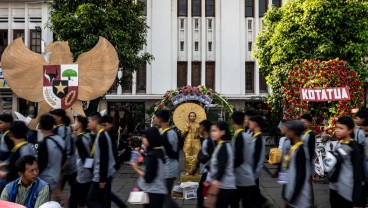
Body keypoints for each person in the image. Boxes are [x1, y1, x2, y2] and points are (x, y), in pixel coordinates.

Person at [329, 116, 364, 208]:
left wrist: (357, 201)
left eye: (341, 128)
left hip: (346, 194)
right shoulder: (339, 144)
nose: (337, 130)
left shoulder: (354, 148)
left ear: (350, 130)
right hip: (334, 189)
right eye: (336, 127)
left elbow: (358, 175)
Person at [131, 127, 167, 208]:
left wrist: (136, 168)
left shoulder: (152, 156)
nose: (142, 139)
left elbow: (148, 177)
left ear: (150, 139)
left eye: (144, 137)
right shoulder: (159, 151)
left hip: (153, 193)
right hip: (157, 192)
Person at [87, 112, 116, 208]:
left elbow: (104, 159)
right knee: (103, 199)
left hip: (101, 174)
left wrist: (102, 179)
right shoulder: (99, 135)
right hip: (100, 173)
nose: (88, 124)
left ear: (95, 121)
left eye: (89, 121)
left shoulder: (102, 136)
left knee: (91, 199)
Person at [281, 120, 313, 207]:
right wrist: (284, 190)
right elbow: (284, 167)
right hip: (290, 195)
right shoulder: (292, 148)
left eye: (287, 130)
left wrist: (293, 198)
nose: (285, 133)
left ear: (293, 133)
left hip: (299, 199)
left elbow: (301, 177)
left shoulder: (301, 151)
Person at [206, 121, 236, 208]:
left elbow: (221, 167)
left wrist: (215, 184)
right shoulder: (219, 145)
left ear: (223, 132)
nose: (212, 133)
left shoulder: (223, 146)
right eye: (211, 131)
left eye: (215, 131)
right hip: (223, 185)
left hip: (225, 186)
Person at [154, 110, 180, 208]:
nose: (154, 120)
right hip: (164, 169)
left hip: (168, 169)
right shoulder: (162, 131)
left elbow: (173, 153)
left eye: (155, 117)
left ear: (160, 119)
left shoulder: (170, 134)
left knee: (165, 196)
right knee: (165, 196)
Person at [37, 114, 65, 203]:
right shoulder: (60, 140)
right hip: (56, 177)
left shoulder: (43, 143)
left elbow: (42, 164)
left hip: (45, 179)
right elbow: (63, 160)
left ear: (40, 126)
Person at [101, 115, 127, 208]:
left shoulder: (109, 135)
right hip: (110, 166)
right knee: (106, 192)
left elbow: (111, 151)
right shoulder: (108, 134)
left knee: (107, 192)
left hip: (108, 167)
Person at [49, 109, 77, 192]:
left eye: (53, 117)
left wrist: (66, 159)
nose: (52, 119)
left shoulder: (61, 130)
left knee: (59, 189)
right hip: (67, 164)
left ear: (59, 118)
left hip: (64, 164)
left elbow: (65, 146)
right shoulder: (63, 129)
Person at [69, 116, 93, 208]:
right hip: (86, 173)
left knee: (73, 198)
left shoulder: (79, 139)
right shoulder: (88, 136)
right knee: (85, 198)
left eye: (75, 122)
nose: (73, 125)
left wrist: (88, 171)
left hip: (83, 175)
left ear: (79, 124)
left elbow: (85, 157)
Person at [229, 111, 248, 208]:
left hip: (241, 176)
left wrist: (228, 168)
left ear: (232, 121)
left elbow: (239, 158)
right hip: (243, 176)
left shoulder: (239, 136)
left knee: (234, 201)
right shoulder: (240, 135)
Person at [248, 115, 268, 207]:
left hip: (254, 171)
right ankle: (262, 202)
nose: (249, 124)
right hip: (252, 171)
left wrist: (251, 171)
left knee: (253, 192)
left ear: (255, 124)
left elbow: (256, 157)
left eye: (251, 122)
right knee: (254, 191)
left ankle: (262, 203)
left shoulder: (258, 139)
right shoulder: (254, 136)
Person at [197, 120, 215, 208]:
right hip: (206, 170)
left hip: (208, 171)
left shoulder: (208, 141)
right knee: (202, 193)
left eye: (200, 127)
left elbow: (212, 156)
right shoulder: (206, 140)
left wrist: (201, 157)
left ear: (203, 128)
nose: (198, 129)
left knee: (200, 193)